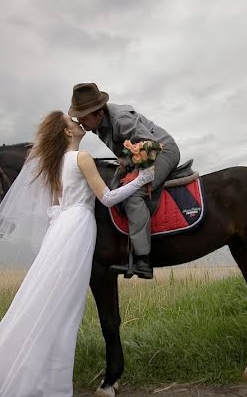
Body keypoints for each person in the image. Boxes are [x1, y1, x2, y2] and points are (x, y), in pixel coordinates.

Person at [0, 110, 154, 397]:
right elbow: (108, 198)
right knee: (66, 310)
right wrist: (143, 178)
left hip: (62, 231)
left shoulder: (54, 166)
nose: (78, 122)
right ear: (67, 133)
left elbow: (57, 205)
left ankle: (31, 380)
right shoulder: (82, 158)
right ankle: (52, 391)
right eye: (73, 122)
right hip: (79, 228)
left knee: (49, 305)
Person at [68, 82, 180, 279]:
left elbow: (151, 146)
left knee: (133, 194)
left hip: (162, 151)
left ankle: (143, 260)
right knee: (115, 187)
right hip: (143, 155)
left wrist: (128, 161)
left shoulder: (121, 120)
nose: (81, 122)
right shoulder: (98, 125)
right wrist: (126, 161)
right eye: (78, 117)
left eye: (83, 117)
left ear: (99, 113)